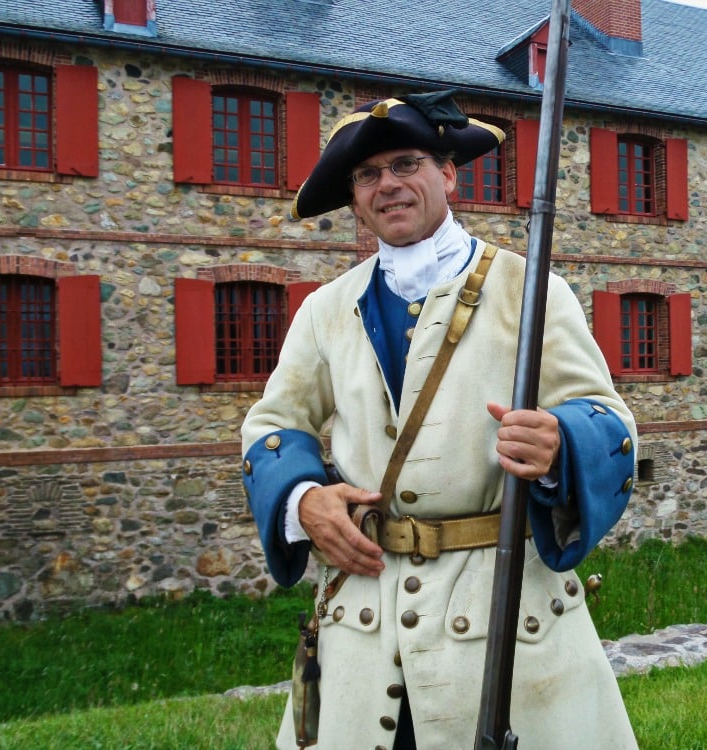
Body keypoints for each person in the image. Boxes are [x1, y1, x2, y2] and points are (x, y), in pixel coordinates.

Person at [241, 90, 639, 750]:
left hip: (504, 618)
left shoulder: (527, 288)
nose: (387, 185)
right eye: (368, 175)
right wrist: (303, 500)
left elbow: (608, 420)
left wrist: (559, 442)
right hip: (365, 626)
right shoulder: (326, 309)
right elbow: (273, 425)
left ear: (448, 173)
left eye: (406, 164)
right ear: (354, 198)